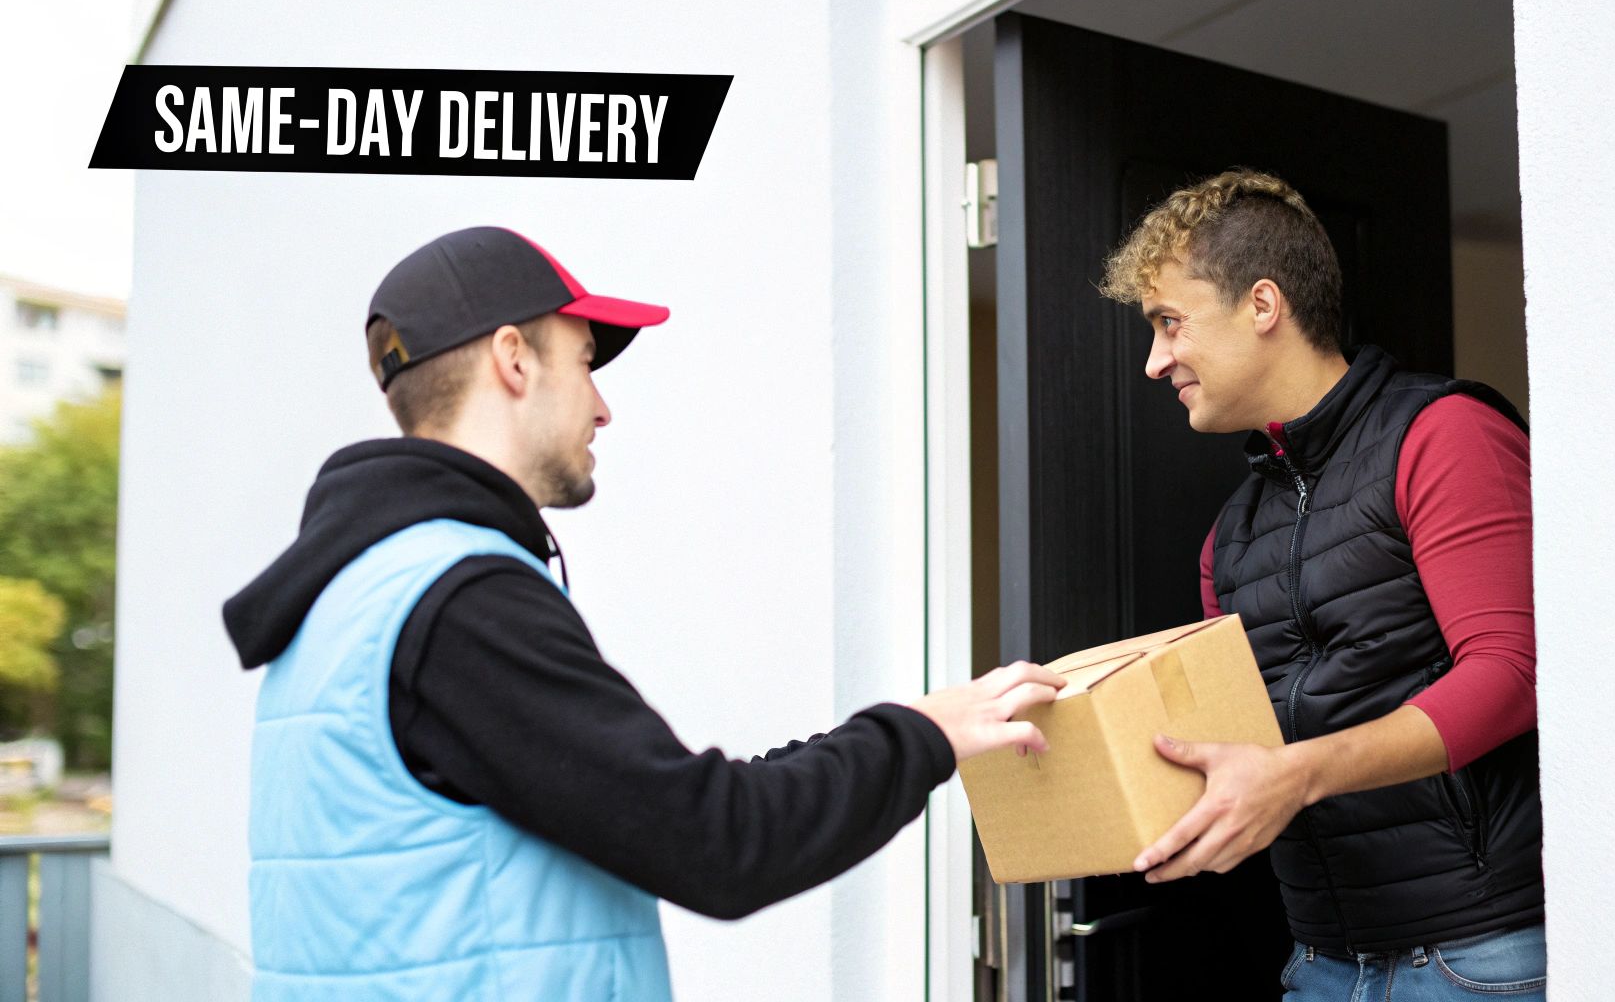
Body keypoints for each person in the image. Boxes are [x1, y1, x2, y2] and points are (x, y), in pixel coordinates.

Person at [223, 226, 1064, 1001]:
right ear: (513, 360)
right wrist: (921, 734)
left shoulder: (354, 594)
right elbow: (719, 842)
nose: (602, 406)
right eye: (585, 361)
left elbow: (657, 802)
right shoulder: (462, 603)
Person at [1099, 171, 1546, 999]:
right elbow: (1251, 750)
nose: (1156, 362)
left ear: (1262, 305)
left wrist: (1299, 772)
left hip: (1477, 956)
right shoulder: (1228, 537)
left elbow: (1511, 674)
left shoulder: (1442, 434)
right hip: (1321, 962)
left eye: (1170, 323)